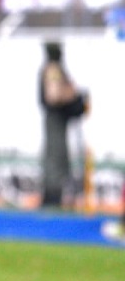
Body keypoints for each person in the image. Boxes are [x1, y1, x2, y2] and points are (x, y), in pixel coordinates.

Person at [38, 41, 87, 208]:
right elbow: (54, 96)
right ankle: (53, 195)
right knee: (56, 155)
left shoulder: (55, 68)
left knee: (58, 155)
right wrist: (73, 97)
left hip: (58, 118)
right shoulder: (53, 69)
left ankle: (56, 194)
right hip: (56, 118)